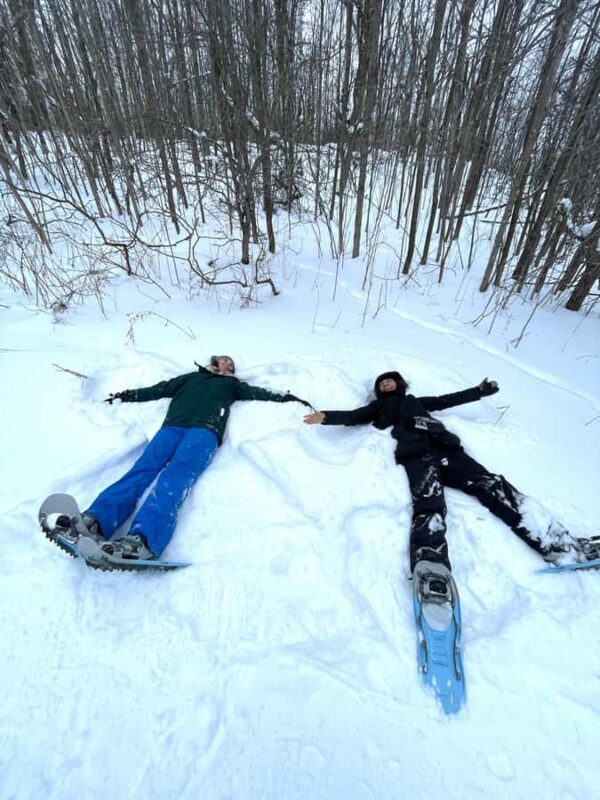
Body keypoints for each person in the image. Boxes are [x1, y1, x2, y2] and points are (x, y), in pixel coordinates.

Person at [304, 370, 586, 574]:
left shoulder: (416, 400)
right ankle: (431, 564)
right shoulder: (377, 407)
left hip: (447, 449)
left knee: (491, 485)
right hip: (416, 456)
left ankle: (555, 541)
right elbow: (354, 417)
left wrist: (479, 391)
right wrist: (326, 416)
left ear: (400, 384)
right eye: (382, 382)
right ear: (378, 391)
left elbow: (446, 400)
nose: (386, 382)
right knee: (430, 504)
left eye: (390, 379)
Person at [56, 355, 310, 562]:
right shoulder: (191, 378)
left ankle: (141, 542)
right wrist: (127, 395)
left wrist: (286, 397)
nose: (230, 365)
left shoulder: (233, 385)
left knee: (174, 478)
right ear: (213, 362)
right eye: (226, 361)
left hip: (205, 431)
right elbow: (160, 389)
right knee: (141, 470)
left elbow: (258, 392)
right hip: (171, 428)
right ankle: (96, 522)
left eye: (232, 365)